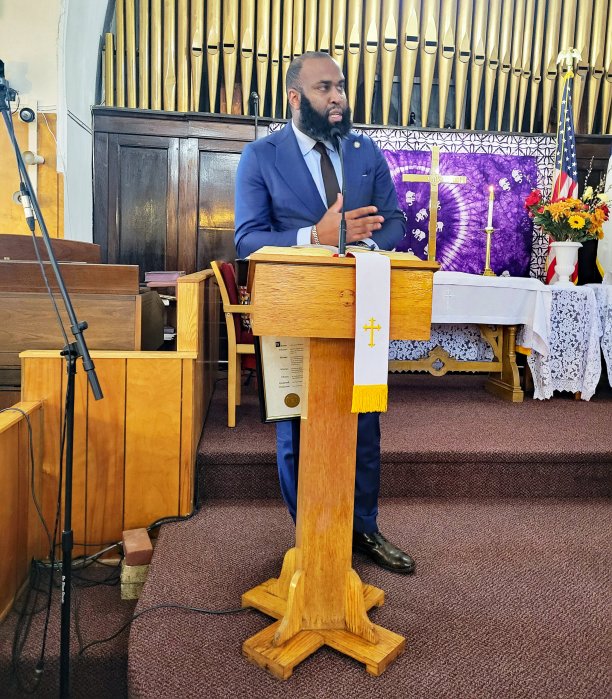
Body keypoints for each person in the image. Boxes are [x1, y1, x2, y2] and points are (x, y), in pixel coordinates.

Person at [234, 51, 415, 574]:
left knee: (365, 424)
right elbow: (247, 240)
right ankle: (310, 531)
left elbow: (396, 223)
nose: (337, 97)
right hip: (295, 309)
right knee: (296, 428)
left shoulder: (364, 152)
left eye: (339, 86)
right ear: (295, 97)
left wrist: (367, 245)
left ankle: (363, 529)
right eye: (323, 88)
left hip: (361, 309)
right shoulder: (262, 156)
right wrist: (316, 236)